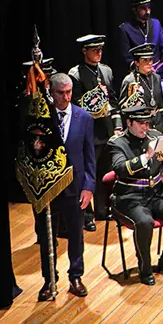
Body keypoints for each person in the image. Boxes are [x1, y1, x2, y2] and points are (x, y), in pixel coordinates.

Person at [108, 107, 163, 285]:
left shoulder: (154, 135)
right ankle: (145, 269)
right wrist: (147, 156)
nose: (145, 127)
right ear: (129, 123)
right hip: (128, 197)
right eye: (141, 124)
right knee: (144, 223)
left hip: (156, 193)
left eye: (147, 123)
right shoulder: (117, 143)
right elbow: (120, 169)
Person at [35, 73, 96, 301]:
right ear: (52, 92)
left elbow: (90, 157)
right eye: (61, 93)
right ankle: (49, 279)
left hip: (76, 186)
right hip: (49, 188)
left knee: (76, 234)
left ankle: (76, 276)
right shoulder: (43, 118)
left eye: (69, 92)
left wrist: (89, 187)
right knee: (46, 235)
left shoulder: (84, 117)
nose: (66, 97)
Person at [68, 34, 122, 228]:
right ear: (84, 51)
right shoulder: (75, 74)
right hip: (88, 131)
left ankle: (102, 209)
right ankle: (86, 215)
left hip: (106, 129)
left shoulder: (106, 71)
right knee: (87, 174)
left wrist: (117, 125)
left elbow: (113, 100)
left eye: (100, 49)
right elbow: (74, 105)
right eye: (94, 50)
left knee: (105, 172)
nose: (99, 53)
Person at [117, 0, 163, 69]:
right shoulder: (125, 28)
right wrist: (141, 68)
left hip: (157, 71)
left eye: (149, 8)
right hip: (137, 73)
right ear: (134, 10)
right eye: (143, 8)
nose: (148, 12)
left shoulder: (156, 23)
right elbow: (126, 57)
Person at [119, 43, 163, 132]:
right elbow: (123, 108)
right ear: (137, 63)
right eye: (145, 60)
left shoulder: (156, 78)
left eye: (151, 60)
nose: (149, 63)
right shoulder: (130, 80)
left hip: (157, 125)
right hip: (141, 127)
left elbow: (161, 105)